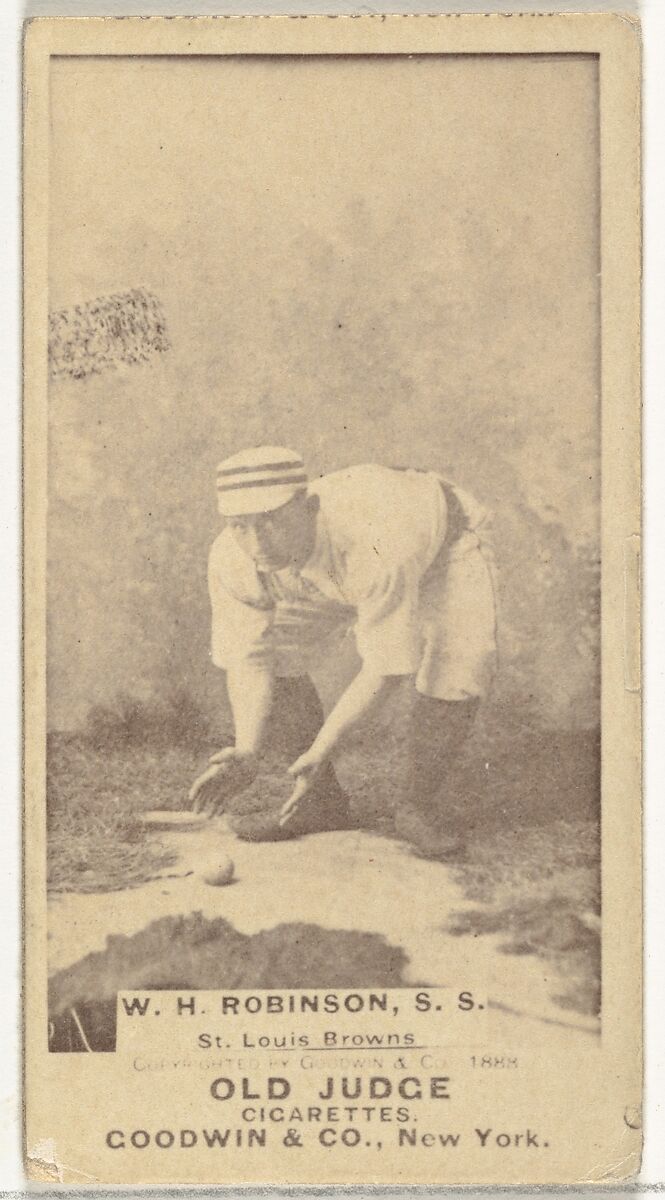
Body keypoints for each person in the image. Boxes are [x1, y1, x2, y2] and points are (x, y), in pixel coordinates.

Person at [189, 446, 497, 855]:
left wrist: (321, 748)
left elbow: (386, 668)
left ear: (309, 506)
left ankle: (415, 807)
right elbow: (250, 658)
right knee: (281, 654)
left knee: (458, 663)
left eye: (269, 520)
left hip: (444, 544)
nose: (256, 541)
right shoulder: (232, 556)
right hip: (327, 565)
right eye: (239, 525)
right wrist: (247, 749)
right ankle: (322, 804)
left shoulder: (378, 541)